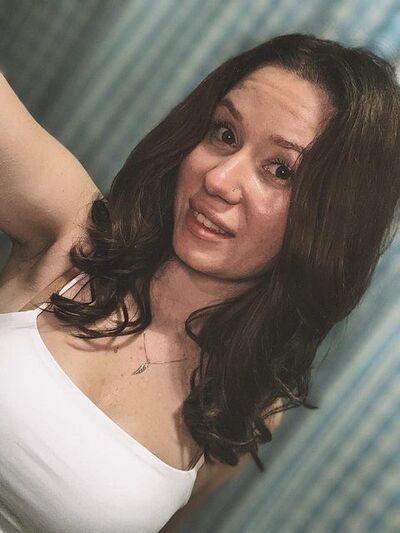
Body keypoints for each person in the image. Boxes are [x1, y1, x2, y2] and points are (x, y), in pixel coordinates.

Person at [0, 32, 398, 532]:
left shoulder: (243, 406)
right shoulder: (74, 240)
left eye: (280, 170)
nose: (219, 180)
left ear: (331, 223)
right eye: (225, 134)